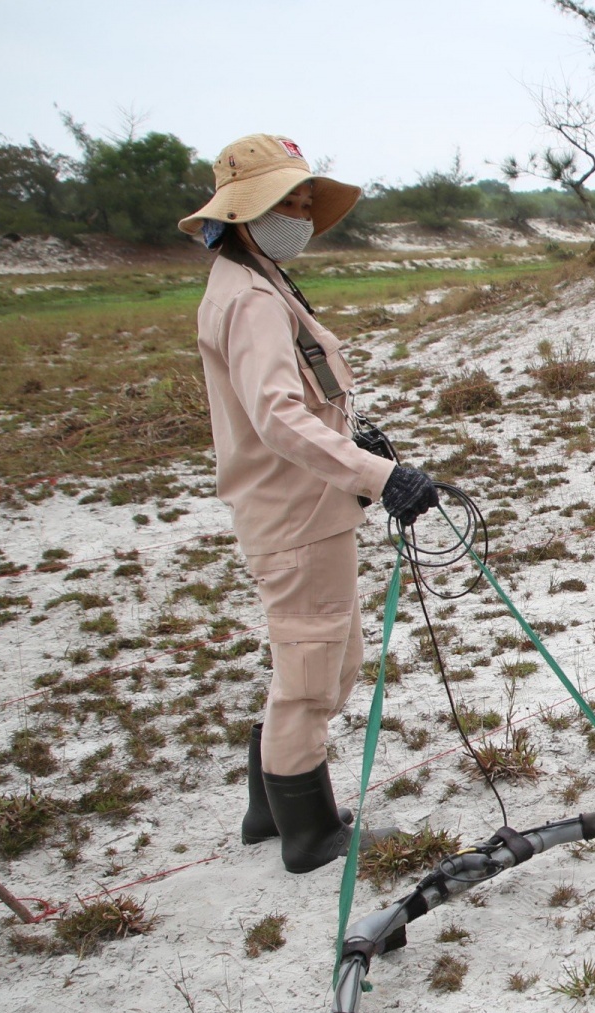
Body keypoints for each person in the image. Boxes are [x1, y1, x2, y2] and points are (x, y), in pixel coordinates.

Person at [179, 135, 440, 874]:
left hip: (309, 505)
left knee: (323, 654)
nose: (296, 213)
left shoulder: (259, 279)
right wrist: (378, 476)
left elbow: (304, 399)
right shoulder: (250, 297)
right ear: (239, 211)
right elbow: (276, 418)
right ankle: (311, 831)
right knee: (311, 668)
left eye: (301, 200)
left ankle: (269, 807)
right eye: (280, 201)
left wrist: (359, 442)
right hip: (293, 513)